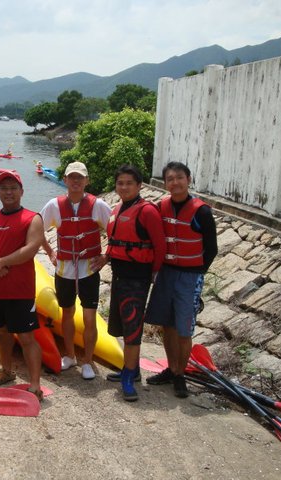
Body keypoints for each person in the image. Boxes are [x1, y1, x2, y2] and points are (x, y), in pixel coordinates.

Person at [144, 161, 217, 398]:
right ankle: (171, 368)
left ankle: (180, 374)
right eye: (170, 179)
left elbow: (212, 248)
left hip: (190, 276)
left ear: (188, 180)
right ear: (165, 183)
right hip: (166, 273)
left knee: (184, 329)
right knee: (167, 324)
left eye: (179, 178)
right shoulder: (160, 207)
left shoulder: (201, 211)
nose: (174, 182)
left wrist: (197, 272)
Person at [0, 171, 45, 401]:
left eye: (13, 188)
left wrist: (0, 263)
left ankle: (35, 384)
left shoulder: (32, 218)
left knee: (26, 337)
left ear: (22, 191)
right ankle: (6, 370)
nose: (9, 192)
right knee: (2, 332)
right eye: (4, 188)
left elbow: (31, 249)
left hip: (20, 290)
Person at [40, 161, 112, 380]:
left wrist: (105, 257)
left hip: (89, 269)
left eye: (80, 177)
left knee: (90, 317)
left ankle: (88, 361)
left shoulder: (98, 205)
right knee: (67, 314)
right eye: (72, 177)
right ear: (65, 180)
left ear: (87, 181)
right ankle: (70, 356)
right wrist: (50, 251)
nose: (76, 181)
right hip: (64, 269)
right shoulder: (54, 205)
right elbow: (35, 228)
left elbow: (117, 232)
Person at [104, 165, 166, 401]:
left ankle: (129, 376)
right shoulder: (119, 208)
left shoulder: (147, 211)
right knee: (123, 326)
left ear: (139, 185)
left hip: (137, 278)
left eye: (129, 183)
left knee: (132, 329)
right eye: (120, 183)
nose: (124, 187)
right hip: (120, 275)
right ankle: (133, 370)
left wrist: (154, 274)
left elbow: (159, 246)